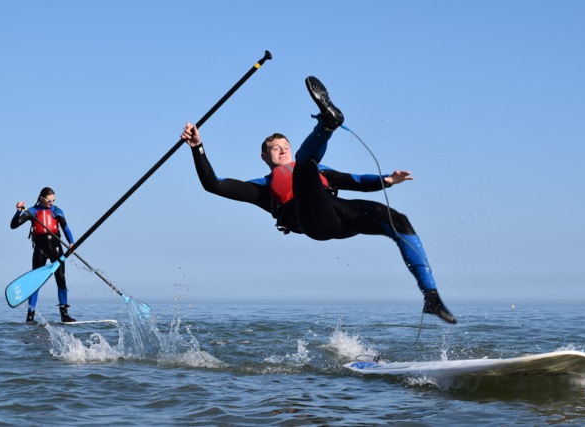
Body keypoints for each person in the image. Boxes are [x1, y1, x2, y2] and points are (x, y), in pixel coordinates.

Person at [180, 76, 457, 324]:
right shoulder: (262, 188)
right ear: (265, 157)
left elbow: (357, 181)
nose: (282, 150)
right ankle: (327, 125)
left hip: (342, 217)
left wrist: (387, 180)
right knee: (305, 167)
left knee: (399, 220)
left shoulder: (317, 170)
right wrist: (198, 148)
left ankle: (430, 297)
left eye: (286, 147)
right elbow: (213, 185)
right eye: (275, 149)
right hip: (312, 222)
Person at [10, 187, 76, 323]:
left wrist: (71, 243)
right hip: (40, 250)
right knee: (35, 282)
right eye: (49, 200)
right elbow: (13, 225)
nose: (52, 202)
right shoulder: (32, 212)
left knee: (61, 280)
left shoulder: (57, 211)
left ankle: (64, 314)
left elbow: (66, 228)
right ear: (41, 199)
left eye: (54, 199)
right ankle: (30, 315)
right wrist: (18, 212)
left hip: (56, 249)